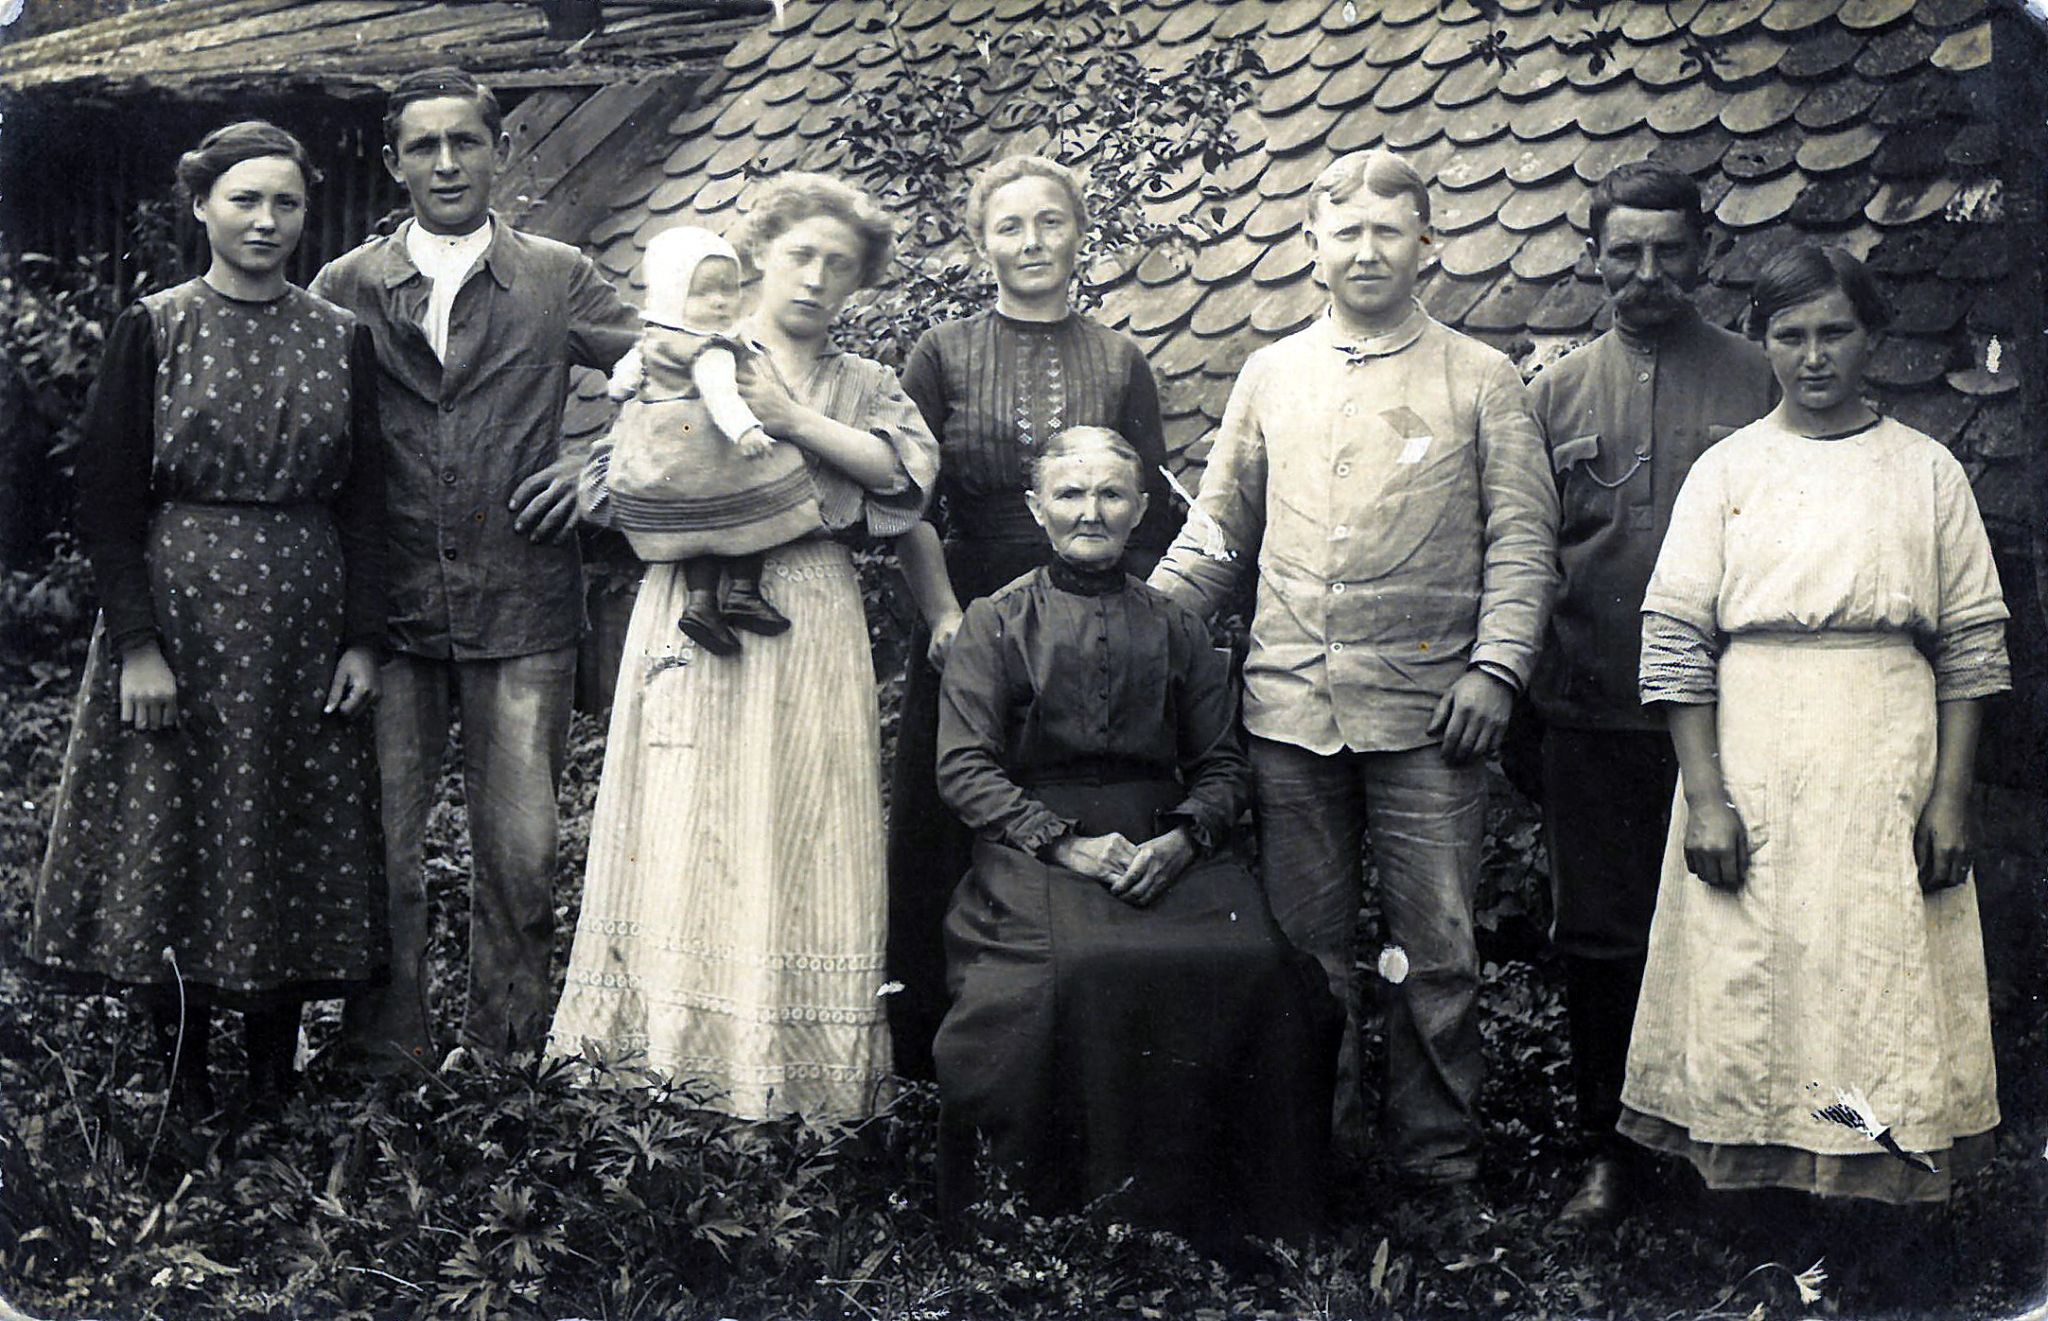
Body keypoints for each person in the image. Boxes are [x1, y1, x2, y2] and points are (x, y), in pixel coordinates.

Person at [1148, 150, 1559, 1208]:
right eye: (1345, 232)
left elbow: (1521, 544)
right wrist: (1129, 635)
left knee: (1437, 953)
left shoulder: (1479, 378)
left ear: (1428, 245)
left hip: (1435, 718)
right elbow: (1216, 536)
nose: (1365, 250)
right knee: (1304, 955)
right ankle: (1312, 1156)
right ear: (1312, 249)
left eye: (1389, 230)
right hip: (1289, 713)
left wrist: (1496, 670)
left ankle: (1437, 1164)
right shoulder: (1269, 376)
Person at [1622, 244, 2007, 1212]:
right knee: (1753, 969)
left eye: (1832, 331)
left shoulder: (1925, 472)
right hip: (1750, 758)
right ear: (1762, 344)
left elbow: (1969, 648)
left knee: (1871, 968)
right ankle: (1755, 1195)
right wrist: (1705, 797)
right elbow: (1673, 644)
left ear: (1870, 336)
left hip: (1881, 753)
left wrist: (1948, 795)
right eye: (1788, 335)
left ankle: (1877, 1204)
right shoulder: (1726, 472)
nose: (1812, 355)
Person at [547, 172, 938, 1120]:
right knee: (688, 814)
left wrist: (797, 421)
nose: (815, 278)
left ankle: (793, 1083)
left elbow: (908, 479)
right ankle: (667, 1066)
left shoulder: (864, 382)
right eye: (800, 254)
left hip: (807, 602)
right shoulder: (684, 348)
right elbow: (616, 476)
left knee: (805, 818)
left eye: (839, 266)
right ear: (758, 253)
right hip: (687, 593)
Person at [29, 121, 388, 1114]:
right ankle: (183, 1082)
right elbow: (105, 497)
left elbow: (365, 498)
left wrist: (362, 636)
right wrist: (139, 646)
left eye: (285, 203)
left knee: (287, 827)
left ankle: (272, 1081)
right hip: (182, 605)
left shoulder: (338, 336)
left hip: (304, 619)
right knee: (176, 827)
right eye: (244, 199)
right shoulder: (156, 325)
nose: (266, 221)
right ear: (201, 207)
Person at [933, 425, 1337, 1246]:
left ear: (1143, 509)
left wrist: (1185, 840)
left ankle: (1237, 1218)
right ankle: (1058, 1219)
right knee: (1079, 966)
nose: (1091, 511)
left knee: (1253, 962)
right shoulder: (995, 621)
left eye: (1111, 494)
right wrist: (1063, 842)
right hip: (1033, 848)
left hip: (1164, 839)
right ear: (1036, 507)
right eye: (1071, 494)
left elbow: (1223, 764)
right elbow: (966, 769)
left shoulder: (1178, 624)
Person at [311, 67, 640, 1067]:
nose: (447, 162)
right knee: (383, 852)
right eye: (424, 145)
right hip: (389, 610)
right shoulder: (346, 287)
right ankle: (383, 1058)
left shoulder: (555, 275)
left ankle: (502, 1059)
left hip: (522, 603)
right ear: (393, 162)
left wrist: (607, 467)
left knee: (523, 856)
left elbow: (678, 367)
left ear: (500, 153)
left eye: (466, 142)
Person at [886, 155, 1183, 1080]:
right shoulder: (939, 352)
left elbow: (1154, 510)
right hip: (968, 611)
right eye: (1010, 227)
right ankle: (941, 1063)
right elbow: (905, 502)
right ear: (981, 244)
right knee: (953, 829)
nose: (1032, 243)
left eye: (1051, 223)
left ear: (1079, 235)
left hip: (1087, 615)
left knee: (1080, 808)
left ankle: (1089, 1051)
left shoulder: (1118, 357)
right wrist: (944, 617)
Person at [1526, 162, 1775, 1226]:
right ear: (1593, 257)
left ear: (1701, 256)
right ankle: (1612, 1152)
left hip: (1738, 712)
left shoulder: (1761, 381)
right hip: (1588, 712)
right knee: (1601, 938)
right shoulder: (1550, 395)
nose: (1644, 273)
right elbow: (1524, 556)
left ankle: (1736, 1150)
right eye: (1623, 252)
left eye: (1666, 251)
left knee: (1741, 925)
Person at [598, 225, 820, 656]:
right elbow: (720, 391)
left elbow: (626, 374)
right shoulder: (713, 348)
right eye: (702, 293)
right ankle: (742, 590)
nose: (720, 302)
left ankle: (700, 602)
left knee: (696, 530)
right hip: (711, 449)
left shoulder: (651, 339)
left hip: (664, 454)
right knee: (749, 510)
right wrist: (745, 430)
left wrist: (621, 390)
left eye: (727, 290)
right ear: (671, 294)